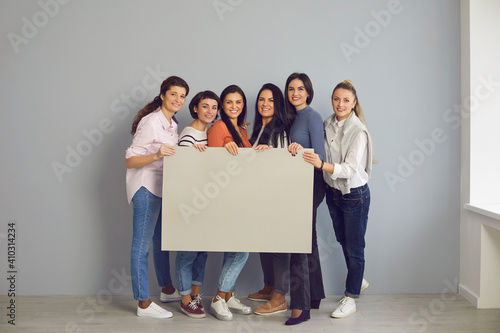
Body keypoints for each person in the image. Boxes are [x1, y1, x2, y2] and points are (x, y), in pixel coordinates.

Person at [303, 80, 373, 319]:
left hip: (354, 195)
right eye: (336, 99)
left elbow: (350, 169)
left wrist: (322, 165)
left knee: (355, 248)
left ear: (354, 103)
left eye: (346, 100)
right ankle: (358, 277)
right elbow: (317, 148)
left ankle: (351, 297)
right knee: (343, 240)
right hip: (334, 192)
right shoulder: (328, 123)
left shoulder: (357, 131)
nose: (340, 104)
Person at [125, 76, 189, 318]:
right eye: (173, 94)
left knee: (163, 240)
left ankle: (167, 289)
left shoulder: (172, 124)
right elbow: (130, 160)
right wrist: (156, 155)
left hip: (164, 188)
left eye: (182, 96)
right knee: (141, 246)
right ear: (163, 95)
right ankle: (143, 304)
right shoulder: (150, 122)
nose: (178, 100)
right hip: (145, 188)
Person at [206, 85, 252, 321]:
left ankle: (228, 295)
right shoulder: (219, 127)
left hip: (241, 197)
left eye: (239, 102)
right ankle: (218, 298)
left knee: (233, 249)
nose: (234, 107)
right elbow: (212, 165)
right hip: (225, 198)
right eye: (229, 102)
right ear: (222, 106)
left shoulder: (241, 129)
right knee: (241, 251)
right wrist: (224, 149)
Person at [284, 72, 326, 325]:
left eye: (300, 88)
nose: (295, 93)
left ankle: (300, 307)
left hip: (312, 183)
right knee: (307, 238)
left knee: (298, 241)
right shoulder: (290, 118)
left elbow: (318, 157)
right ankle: (315, 296)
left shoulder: (313, 116)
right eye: (291, 89)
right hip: (296, 184)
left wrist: (300, 152)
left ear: (308, 92)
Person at [175, 91, 220, 319]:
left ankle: (195, 296)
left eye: (214, 107)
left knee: (202, 252)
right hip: (190, 201)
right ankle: (184, 299)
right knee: (187, 252)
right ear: (195, 108)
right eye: (205, 106)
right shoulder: (189, 134)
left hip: (206, 200)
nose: (210, 111)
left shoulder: (209, 132)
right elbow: (180, 172)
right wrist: (195, 156)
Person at [246, 83, 291, 316]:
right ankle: (269, 286)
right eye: (262, 99)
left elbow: (282, 164)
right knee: (263, 243)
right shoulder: (256, 130)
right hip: (259, 196)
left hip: (276, 196)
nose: (265, 104)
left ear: (278, 104)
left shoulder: (280, 130)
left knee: (278, 246)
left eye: (271, 100)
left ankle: (280, 297)